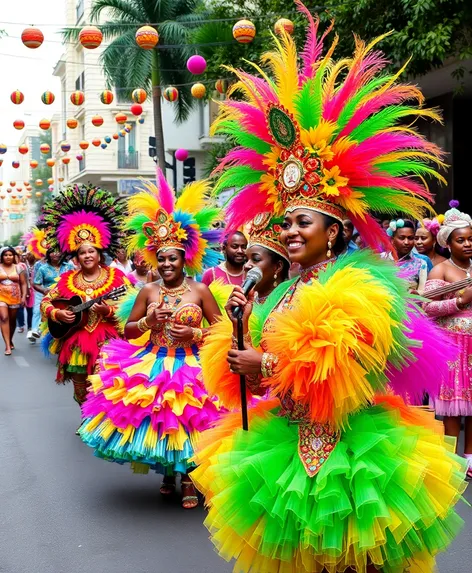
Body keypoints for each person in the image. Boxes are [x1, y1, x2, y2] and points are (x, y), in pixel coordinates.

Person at [190, 4, 467, 571]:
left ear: (334, 230)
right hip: (284, 441)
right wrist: (239, 330)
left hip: (350, 450)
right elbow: (244, 367)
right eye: (286, 222)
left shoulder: (358, 283)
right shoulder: (279, 288)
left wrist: (260, 364)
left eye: (303, 223)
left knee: (349, 559)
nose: (289, 232)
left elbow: (341, 370)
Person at [79, 174, 224, 509]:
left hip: (191, 363)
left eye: (173, 257)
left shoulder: (200, 291)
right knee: (163, 423)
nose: (167, 264)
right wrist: (148, 320)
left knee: (190, 422)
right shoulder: (148, 290)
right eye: (162, 258)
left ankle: (189, 479)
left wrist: (195, 334)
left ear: (184, 259)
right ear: (155, 260)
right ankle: (168, 473)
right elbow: (128, 330)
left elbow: (220, 329)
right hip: (153, 359)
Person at [39, 184, 129, 408]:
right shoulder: (67, 280)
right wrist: (58, 313)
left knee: (106, 385)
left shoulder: (117, 278)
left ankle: (101, 419)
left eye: (92, 251)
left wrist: (108, 311)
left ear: (100, 253)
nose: (87, 255)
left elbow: (133, 307)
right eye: (82, 252)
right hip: (77, 341)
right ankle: (86, 416)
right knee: (80, 387)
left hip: (108, 340)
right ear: (76, 256)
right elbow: (46, 302)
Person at [423, 204, 472, 477]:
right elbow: (426, 307)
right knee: (453, 407)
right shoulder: (440, 271)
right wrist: (459, 301)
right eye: (460, 240)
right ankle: (453, 461)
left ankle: (470, 458)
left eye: (470, 239)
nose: (467, 244)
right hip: (454, 346)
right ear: (448, 243)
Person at [243, 214, 290, 304]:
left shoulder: (291, 301)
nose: (246, 265)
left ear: (277, 267)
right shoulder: (245, 303)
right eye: (246, 260)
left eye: (256, 259)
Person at [31, 249, 74, 342]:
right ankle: (44, 334)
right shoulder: (43, 268)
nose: (55, 254)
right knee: (50, 318)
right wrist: (44, 290)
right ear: (48, 254)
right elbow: (36, 283)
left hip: (67, 298)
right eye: (52, 252)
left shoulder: (69, 266)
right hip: (51, 298)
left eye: (58, 251)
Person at [384, 219, 429, 291]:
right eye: (401, 238)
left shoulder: (420, 263)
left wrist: (416, 294)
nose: (406, 242)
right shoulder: (380, 259)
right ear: (392, 240)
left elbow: (423, 291)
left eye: (410, 238)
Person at [0, 247, 27, 355]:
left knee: (12, 321)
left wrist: (24, 296)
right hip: (1, 297)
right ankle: (7, 346)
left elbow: (24, 283)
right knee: (4, 317)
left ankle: (10, 339)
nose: (8, 257)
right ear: (2, 257)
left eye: (10, 255)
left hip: (15, 297)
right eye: (5, 255)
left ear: (14, 256)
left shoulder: (19, 268)